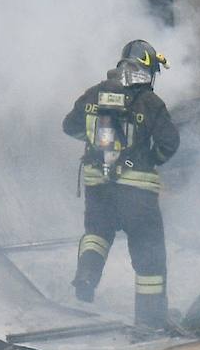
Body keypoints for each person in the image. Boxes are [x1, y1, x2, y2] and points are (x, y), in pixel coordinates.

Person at [63, 39, 180, 329]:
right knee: (149, 256)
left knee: (97, 234)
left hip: (98, 186)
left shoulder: (94, 95)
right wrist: (150, 158)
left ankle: (87, 277)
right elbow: (170, 143)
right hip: (138, 193)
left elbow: (69, 126)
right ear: (146, 70)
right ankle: (150, 322)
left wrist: (94, 148)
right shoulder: (150, 102)